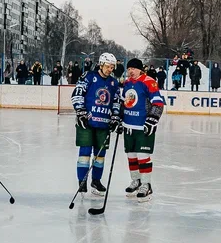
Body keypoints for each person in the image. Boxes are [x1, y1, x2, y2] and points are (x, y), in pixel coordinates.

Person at [71, 53, 122, 197]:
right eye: (107, 66)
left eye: (112, 67)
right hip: (87, 122)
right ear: (101, 64)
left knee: (100, 156)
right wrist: (80, 111)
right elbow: (77, 93)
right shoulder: (88, 76)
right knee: (85, 153)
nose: (110, 69)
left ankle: (96, 181)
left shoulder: (114, 83)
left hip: (104, 124)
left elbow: (116, 101)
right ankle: (82, 182)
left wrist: (116, 117)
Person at [119, 58, 165, 201]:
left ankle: (146, 184)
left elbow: (158, 102)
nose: (130, 71)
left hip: (143, 125)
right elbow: (124, 102)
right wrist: (119, 118)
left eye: (133, 68)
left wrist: (152, 120)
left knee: (142, 156)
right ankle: (136, 180)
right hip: (128, 126)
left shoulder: (148, 81)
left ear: (140, 69)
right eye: (129, 69)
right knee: (131, 156)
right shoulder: (127, 83)